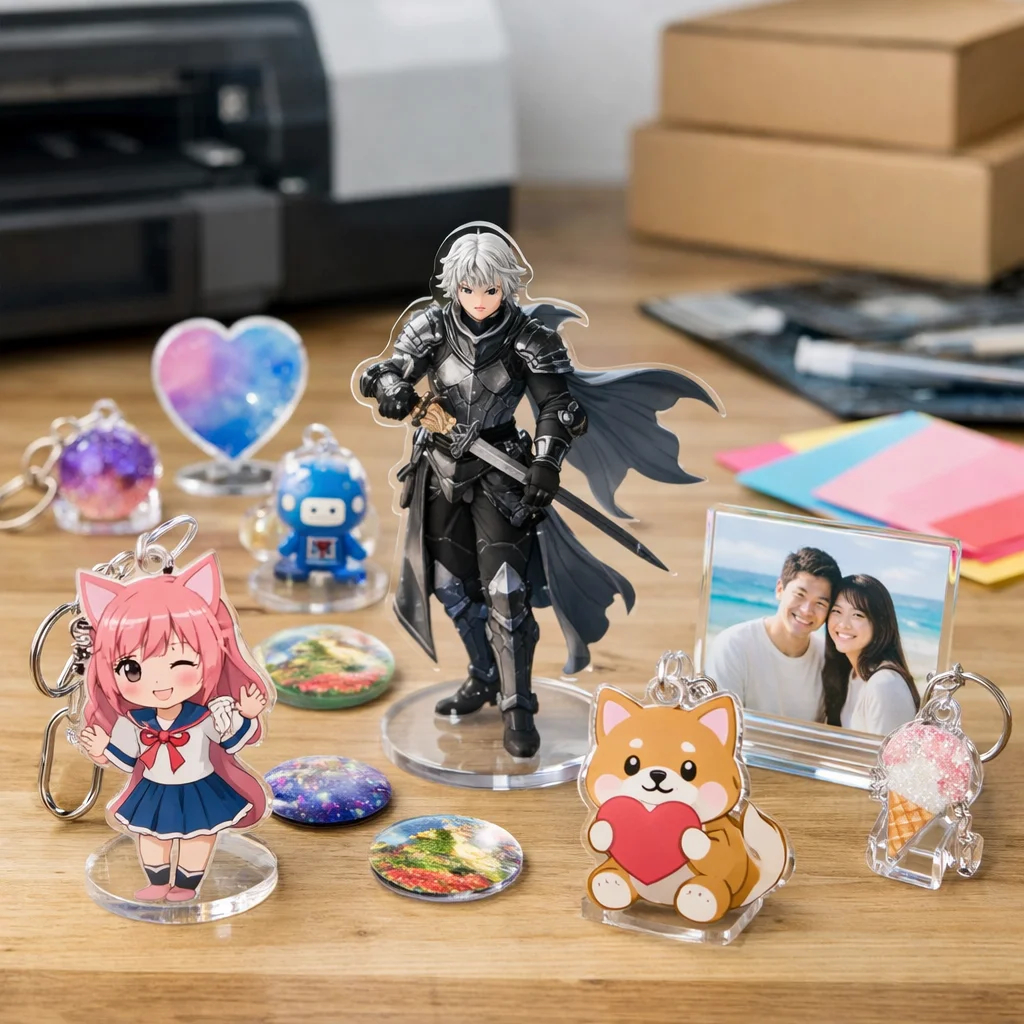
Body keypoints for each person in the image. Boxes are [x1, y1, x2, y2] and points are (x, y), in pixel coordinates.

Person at [358, 224, 720, 758]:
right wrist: (392, 388)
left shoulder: (529, 336)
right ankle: (484, 674)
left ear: (507, 284)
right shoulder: (430, 325)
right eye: (467, 289)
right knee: (452, 587)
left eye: (490, 289)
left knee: (506, 591)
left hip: (502, 472)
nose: (479, 300)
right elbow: (383, 372)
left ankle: (518, 705)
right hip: (439, 468)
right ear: (452, 286)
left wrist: (547, 462)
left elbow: (559, 406)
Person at [77, 553, 273, 902]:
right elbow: (126, 757)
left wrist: (247, 714)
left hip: (201, 786)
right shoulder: (136, 723)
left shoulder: (203, 717)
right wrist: (101, 748)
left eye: (180, 662)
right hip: (154, 789)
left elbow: (230, 740)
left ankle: (186, 885)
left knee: (200, 836)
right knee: (152, 835)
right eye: (133, 670)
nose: (159, 684)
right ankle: (157, 882)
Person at [706, 547, 841, 721]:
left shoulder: (827, 659)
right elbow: (719, 725)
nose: (807, 610)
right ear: (780, 589)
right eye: (800, 594)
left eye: (820, 603)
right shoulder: (733, 645)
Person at [822, 574, 920, 735]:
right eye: (837, 611)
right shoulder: (853, 673)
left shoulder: (884, 684)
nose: (843, 624)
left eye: (857, 615)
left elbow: (889, 752)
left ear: (879, 624)